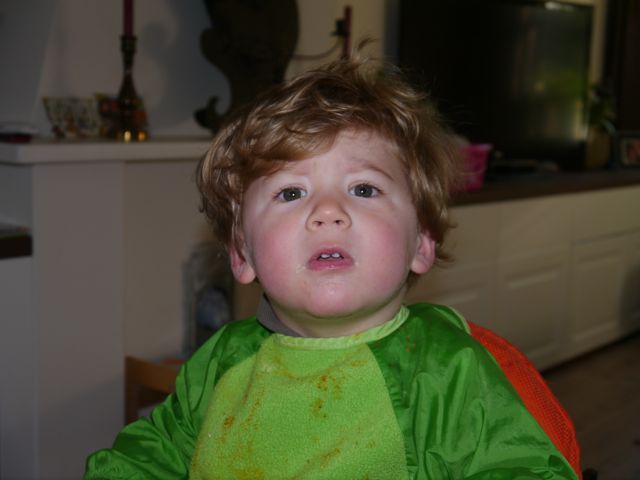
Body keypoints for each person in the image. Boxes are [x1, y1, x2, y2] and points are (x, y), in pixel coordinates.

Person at [85, 54, 579, 479]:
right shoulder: (220, 363)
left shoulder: (448, 372)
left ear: (421, 244)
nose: (327, 211)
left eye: (363, 189)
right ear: (242, 254)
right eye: (290, 193)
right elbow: (149, 457)